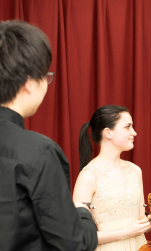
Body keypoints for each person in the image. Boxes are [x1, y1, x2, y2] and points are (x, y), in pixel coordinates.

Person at [0, 20, 98, 251]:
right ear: (29, 83)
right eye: (46, 75)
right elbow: (72, 244)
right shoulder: (40, 152)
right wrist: (83, 213)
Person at [73, 105, 151, 251]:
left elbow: (140, 218)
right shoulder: (88, 176)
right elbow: (79, 234)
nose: (134, 132)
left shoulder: (135, 170)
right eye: (127, 127)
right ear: (108, 133)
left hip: (139, 246)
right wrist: (126, 233)